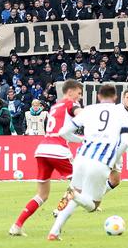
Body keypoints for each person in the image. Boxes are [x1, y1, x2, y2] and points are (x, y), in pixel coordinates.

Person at [48, 84, 128, 241]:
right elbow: (125, 142)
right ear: (115, 97)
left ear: (98, 96)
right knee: (93, 204)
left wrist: (80, 140)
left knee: (75, 193)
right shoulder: (121, 112)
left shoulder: (89, 109)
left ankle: (54, 231)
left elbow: (63, 132)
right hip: (101, 162)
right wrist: (113, 159)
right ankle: (74, 195)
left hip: (81, 158)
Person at [10, 79, 83, 236]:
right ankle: (60, 209)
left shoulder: (55, 107)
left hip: (42, 150)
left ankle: (17, 225)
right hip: (58, 150)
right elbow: (81, 115)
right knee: (79, 185)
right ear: (70, 92)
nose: (80, 97)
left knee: (42, 195)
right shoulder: (71, 104)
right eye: (79, 93)